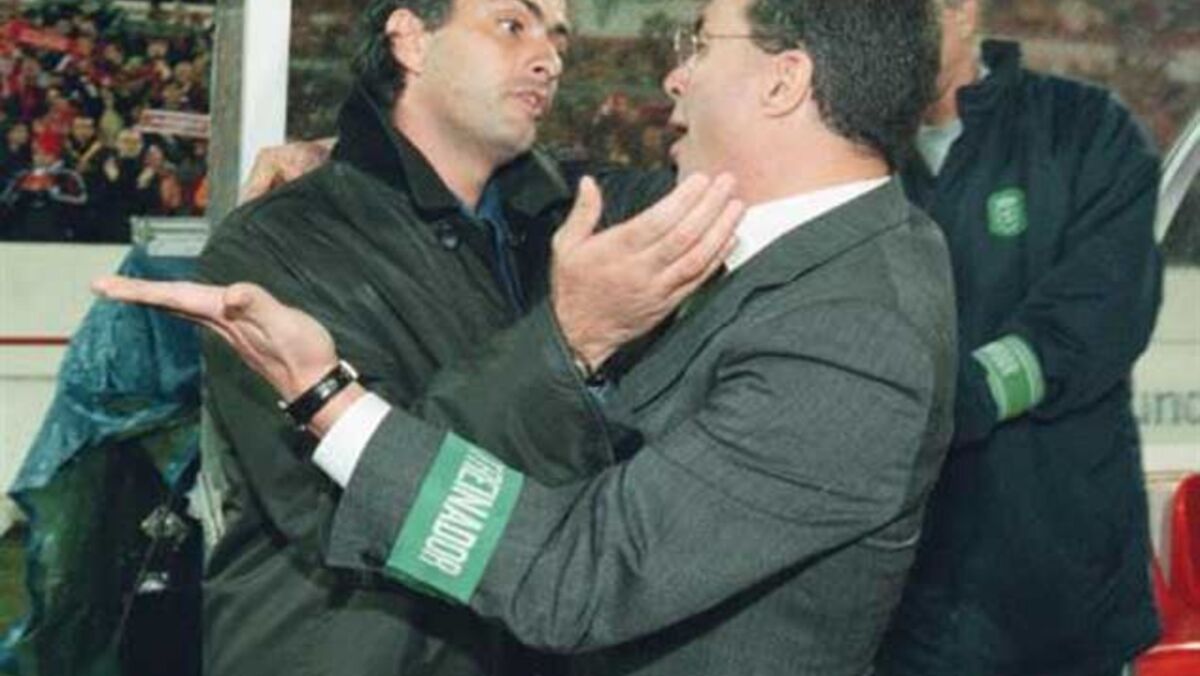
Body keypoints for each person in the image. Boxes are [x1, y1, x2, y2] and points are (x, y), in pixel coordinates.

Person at [97, 0, 954, 673]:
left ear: (784, 81)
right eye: (513, 24)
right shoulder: (281, 242)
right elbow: (329, 513)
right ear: (411, 39)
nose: (550, 57)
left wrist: (336, 398)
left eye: (560, 38)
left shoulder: (600, 226)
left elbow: (579, 572)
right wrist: (346, 155)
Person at [874, 1, 1163, 674]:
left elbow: (1100, 309)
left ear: (963, 12)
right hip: (906, 610)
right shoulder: (856, 161)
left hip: (1060, 599)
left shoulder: (1084, 128)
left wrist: (959, 396)